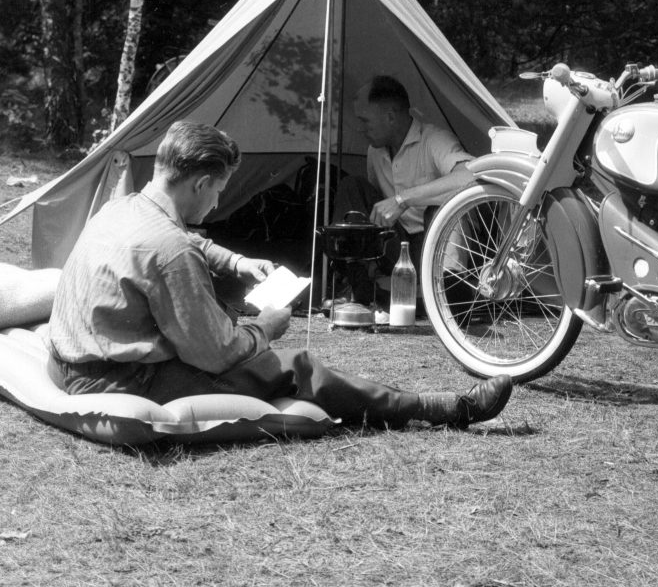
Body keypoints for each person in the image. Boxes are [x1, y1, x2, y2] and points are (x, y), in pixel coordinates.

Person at [45, 121, 511, 430]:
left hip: (71, 361)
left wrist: (235, 262)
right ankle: (434, 409)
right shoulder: (169, 252)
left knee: (228, 314)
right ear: (201, 183)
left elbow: (181, 238)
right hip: (121, 382)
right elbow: (217, 354)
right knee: (295, 366)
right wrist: (265, 327)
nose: (214, 205)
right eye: (218, 192)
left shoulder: (121, 207)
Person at [331, 75, 474, 304]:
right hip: (397, 248)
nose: (360, 129)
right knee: (352, 187)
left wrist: (403, 199)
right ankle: (358, 285)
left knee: (440, 210)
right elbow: (378, 208)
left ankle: (450, 290)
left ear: (389, 117)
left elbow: (471, 177)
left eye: (365, 121)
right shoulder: (375, 152)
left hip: (433, 245)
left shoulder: (434, 139)